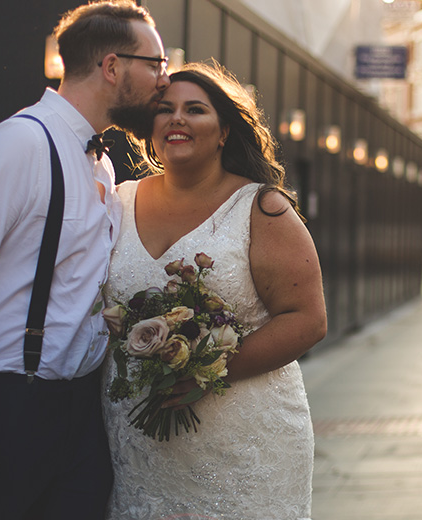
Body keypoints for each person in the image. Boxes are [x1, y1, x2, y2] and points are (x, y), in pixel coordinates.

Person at [0, 2, 170, 518]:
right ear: (112, 67)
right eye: (156, 65)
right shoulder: (18, 144)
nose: (165, 80)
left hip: (80, 413)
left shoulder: (103, 164)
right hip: (8, 405)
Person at [101, 61, 327, 519]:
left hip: (242, 445)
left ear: (223, 130)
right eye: (165, 109)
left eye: (195, 109)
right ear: (151, 128)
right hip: (138, 444)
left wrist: (203, 371)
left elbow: (308, 319)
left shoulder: (261, 208)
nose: (177, 119)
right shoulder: (115, 202)